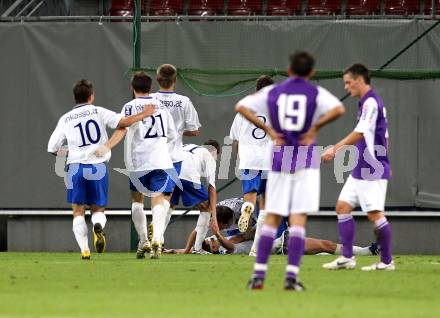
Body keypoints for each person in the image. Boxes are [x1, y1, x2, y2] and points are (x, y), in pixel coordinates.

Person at [236, 51, 345, 291]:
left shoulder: (275, 91)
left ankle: (258, 276)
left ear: (289, 70)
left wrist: (270, 130)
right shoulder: (314, 92)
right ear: (312, 72)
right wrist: (315, 126)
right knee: (297, 221)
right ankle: (291, 278)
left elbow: (241, 107)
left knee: (272, 217)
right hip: (304, 160)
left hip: (278, 159)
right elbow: (338, 109)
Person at [47, 79, 156, 259]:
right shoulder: (98, 111)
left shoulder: (65, 118)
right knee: (98, 210)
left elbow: (52, 148)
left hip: (75, 167)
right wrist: (144, 114)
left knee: (78, 209)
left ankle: (84, 250)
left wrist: (71, 154)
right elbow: (124, 122)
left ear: (75, 98)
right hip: (98, 166)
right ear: (91, 96)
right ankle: (98, 227)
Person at [96, 72, 178, 259]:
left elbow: (122, 128)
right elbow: (172, 135)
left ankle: (143, 241)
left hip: (138, 162)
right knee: (157, 199)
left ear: (132, 88)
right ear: (150, 87)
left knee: (137, 200)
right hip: (161, 160)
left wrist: (107, 146)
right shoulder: (162, 107)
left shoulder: (130, 107)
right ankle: (157, 238)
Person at [322, 64, 393, 271]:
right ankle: (347, 257)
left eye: (348, 82)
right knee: (342, 207)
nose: (346, 87)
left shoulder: (371, 102)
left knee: (375, 215)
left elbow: (360, 132)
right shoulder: (366, 103)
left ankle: (387, 261)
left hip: (371, 168)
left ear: (360, 80)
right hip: (362, 166)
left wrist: (334, 149)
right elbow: (383, 136)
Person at [165, 197, 378, 256]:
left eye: (210, 239)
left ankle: (366, 252)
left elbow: (198, 240)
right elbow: (227, 247)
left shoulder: (229, 223)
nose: (211, 239)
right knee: (324, 246)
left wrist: (175, 251)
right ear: (214, 249)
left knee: (325, 247)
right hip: (279, 244)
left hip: (277, 242)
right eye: (210, 243)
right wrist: (218, 237)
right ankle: (367, 252)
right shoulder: (224, 248)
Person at [150, 64, 201, 246]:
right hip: (174, 156)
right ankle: (158, 236)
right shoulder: (184, 101)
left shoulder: (149, 100)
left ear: (157, 79)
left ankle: (156, 236)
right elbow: (194, 130)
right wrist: (178, 131)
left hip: (152, 155)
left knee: (155, 196)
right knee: (166, 197)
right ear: (175, 80)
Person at [229, 75, 274, 256]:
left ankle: (248, 208)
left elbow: (236, 139)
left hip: (249, 160)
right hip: (270, 161)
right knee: (266, 204)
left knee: (250, 197)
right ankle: (255, 249)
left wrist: (241, 157)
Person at [170, 141, 220, 253]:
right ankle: (198, 249)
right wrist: (214, 217)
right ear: (215, 152)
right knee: (206, 207)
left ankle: (156, 242)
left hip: (170, 171)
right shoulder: (209, 156)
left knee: (167, 207)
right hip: (188, 176)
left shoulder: (188, 146)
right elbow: (212, 189)